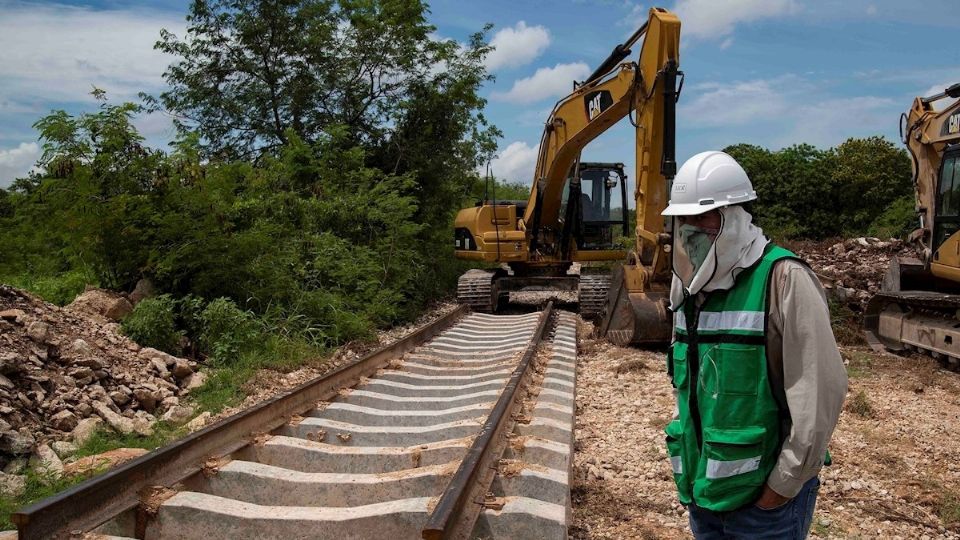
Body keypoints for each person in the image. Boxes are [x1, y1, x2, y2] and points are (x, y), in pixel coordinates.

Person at [661, 151, 848, 539]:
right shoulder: (687, 289)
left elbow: (817, 398)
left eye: (703, 217)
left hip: (765, 510)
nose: (691, 229)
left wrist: (780, 489)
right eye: (684, 219)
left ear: (734, 217)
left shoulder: (784, 279)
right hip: (705, 496)